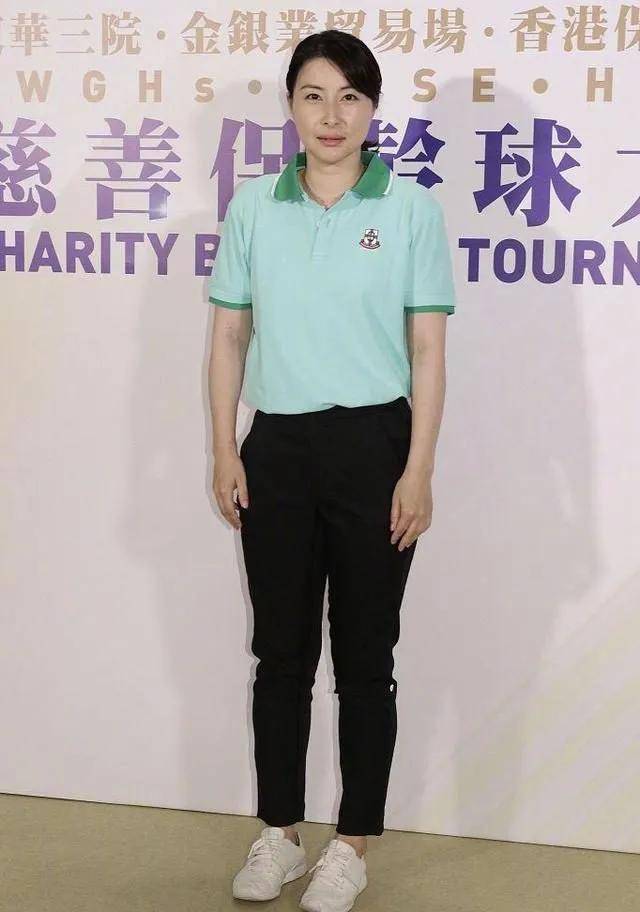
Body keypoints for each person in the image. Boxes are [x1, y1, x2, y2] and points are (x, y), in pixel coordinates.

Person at [208, 28, 456, 912]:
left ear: (372, 109)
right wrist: (224, 449)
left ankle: (352, 843)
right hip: (275, 449)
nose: (331, 115)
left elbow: (427, 350)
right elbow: (229, 334)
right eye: (313, 95)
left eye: (350, 97)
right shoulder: (254, 207)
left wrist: (418, 469)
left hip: (375, 449)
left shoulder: (411, 210)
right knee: (279, 653)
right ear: (289, 105)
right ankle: (279, 834)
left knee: (364, 656)